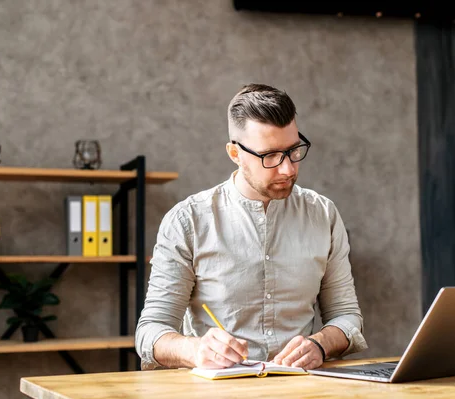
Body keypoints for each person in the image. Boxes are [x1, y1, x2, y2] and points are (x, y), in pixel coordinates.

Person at [135, 83, 368, 371]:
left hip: (300, 388)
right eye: (270, 156)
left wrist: (320, 344)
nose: (288, 169)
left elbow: (346, 316)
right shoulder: (188, 220)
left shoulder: (323, 214)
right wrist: (195, 350)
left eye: (294, 150)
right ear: (235, 153)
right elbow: (150, 332)